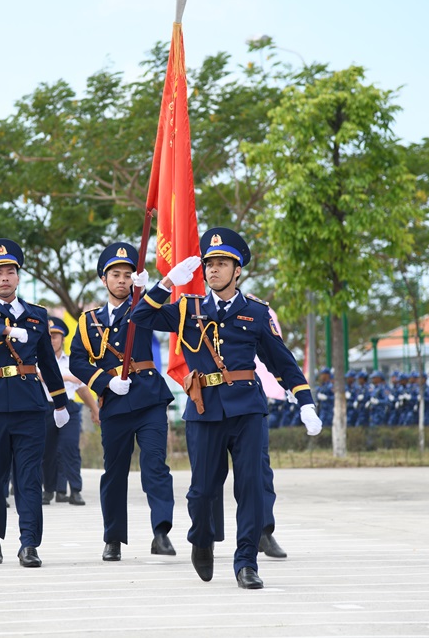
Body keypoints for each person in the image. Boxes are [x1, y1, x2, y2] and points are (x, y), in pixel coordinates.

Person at [131, 227, 321, 590]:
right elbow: (140, 317)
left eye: (222, 263)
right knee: (202, 490)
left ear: (238, 271)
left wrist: (305, 400)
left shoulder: (255, 312)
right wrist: (167, 281)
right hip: (204, 409)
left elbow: (282, 362)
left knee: (250, 487)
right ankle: (202, 537)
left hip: (248, 408)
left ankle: (246, 562)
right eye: (210, 264)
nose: (214, 269)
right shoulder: (187, 308)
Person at [0, 239, 70, 568]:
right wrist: (3, 329)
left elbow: (48, 363)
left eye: (10, 272)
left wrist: (60, 403)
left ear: (18, 278)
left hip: (30, 406)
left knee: (29, 478)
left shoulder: (36, 315)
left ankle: (29, 544)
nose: (4, 277)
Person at [69, 242, 177, 562]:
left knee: (155, 465)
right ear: (104, 280)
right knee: (114, 472)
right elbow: (77, 361)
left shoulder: (143, 307)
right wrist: (105, 382)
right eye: (115, 274)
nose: (122, 280)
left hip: (148, 399)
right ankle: (113, 538)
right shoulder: (89, 321)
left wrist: (152, 290)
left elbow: (162, 316)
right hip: (115, 402)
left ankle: (161, 531)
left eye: (128, 275)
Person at [41, 316, 97, 507]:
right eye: (49, 336)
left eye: (55, 336)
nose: (52, 340)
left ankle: (75, 490)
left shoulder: (72, 361)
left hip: (70, 408)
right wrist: (67, 377)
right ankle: (48, 490)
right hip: (46, 408)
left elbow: (82, 387)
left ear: (63, 338)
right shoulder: (37, 359)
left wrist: (95, 409)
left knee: (70, 448)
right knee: (47, 451)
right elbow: (39, 376)